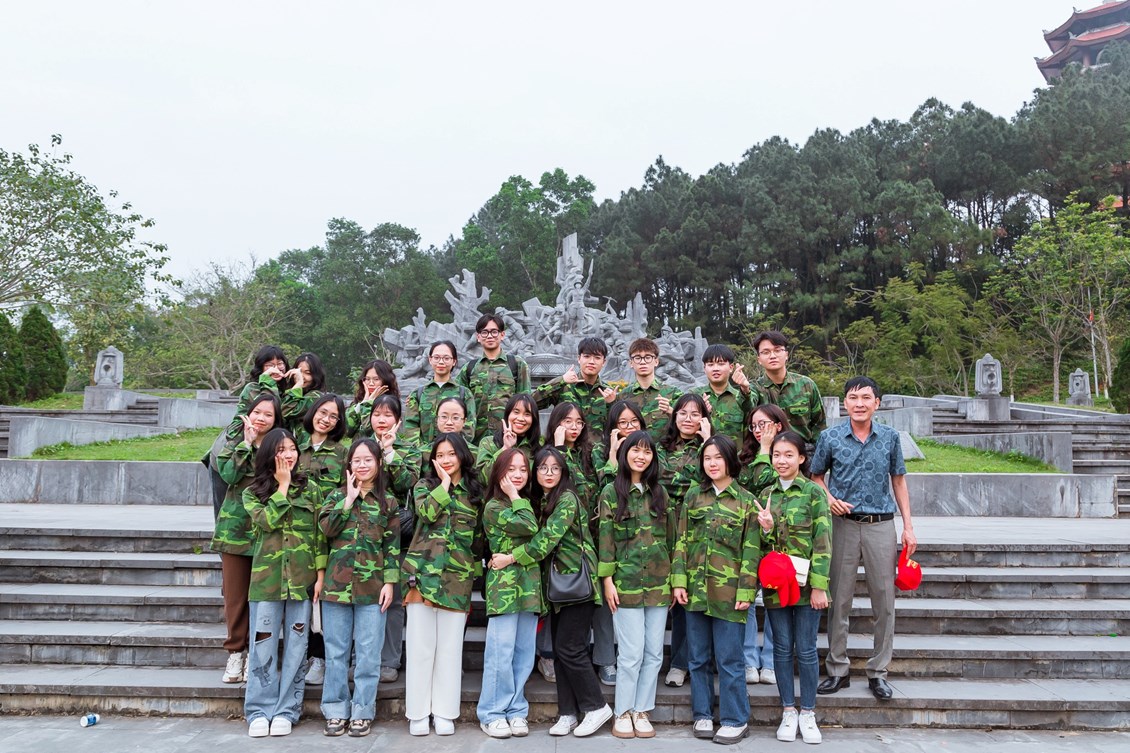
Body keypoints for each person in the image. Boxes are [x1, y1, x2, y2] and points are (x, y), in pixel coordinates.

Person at [491, 446, 612, 738]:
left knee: (571, 648)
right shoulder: (544, 499)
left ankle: (596, 706)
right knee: (560, 651)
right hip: (558, 588)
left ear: (563, 472)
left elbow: (546, 539)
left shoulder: (567, 498)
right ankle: (567, 713)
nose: (548, 473)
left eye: (555, 468)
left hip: (577, 584)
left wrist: (511, 558)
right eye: (543, 468)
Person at [810, 376, 916, 702]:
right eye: (853, 398)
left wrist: (908, 527)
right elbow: (816, 476)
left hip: (880, 525)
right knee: (838, 599)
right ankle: (837, 669)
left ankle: (878, 672)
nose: (859, 403)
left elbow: (898, 481)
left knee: (884, 601)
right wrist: (828, 499)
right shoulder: (829, 437)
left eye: (866, 398)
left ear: (877, 403)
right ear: (845, 402)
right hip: (841, 525)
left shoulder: (890, 438)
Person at [672, 436, 761, 745]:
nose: (712, 463)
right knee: (697, 658)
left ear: (730, 461)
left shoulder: (746, 500)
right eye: (707, 458)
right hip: (695, 590)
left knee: (729, 660)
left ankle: (736, 719)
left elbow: (752, 549)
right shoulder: (694, 496)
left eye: (718, 457)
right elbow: (681, 540)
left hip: (730, 594)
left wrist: (746, 591)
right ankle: (703, 714)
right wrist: (679, 580)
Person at [241, 427, 326, 738]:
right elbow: (266, 522)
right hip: (267, 583)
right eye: (281, 450)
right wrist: (283, 486)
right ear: (269, 455)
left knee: (296, 648)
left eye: (292, 449)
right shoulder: (252, 492)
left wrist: (320, 575)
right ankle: (259, 710)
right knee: (262, 646)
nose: (288, 455)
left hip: (301, 583)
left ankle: (287, 709)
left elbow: (320, 536)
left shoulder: (312, 490)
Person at [402, 433, 484, 736]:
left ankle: (445, 712)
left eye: (451, 454)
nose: (446, 460)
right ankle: (418, 713)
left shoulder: (475, 493)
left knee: (450, 650)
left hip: (457, 579)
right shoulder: (424, 486)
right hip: (422, 576)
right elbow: (426, 513)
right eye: (440, 455)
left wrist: (475, 575)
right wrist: (446, 484)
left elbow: (478, 540)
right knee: (420, 648)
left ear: (462, 455)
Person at [318, 439, 399, 738]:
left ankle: (362, 712)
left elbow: (392, 546)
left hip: (372, 588)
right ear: (349, 464)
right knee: (336, 653)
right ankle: (335, 710)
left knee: (368, 654)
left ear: (378, 463)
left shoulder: (388, 502)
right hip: (336, 588)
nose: (362, 465)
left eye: (368, 460)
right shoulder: (335, 496)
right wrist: (348, 501)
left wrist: (390, 582)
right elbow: (325, 531)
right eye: (357, 460)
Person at [755, 430, 831, 744]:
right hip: (777, 585)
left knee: (807, 649)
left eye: (788, 455)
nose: (781, 461)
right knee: (782, 648)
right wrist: (767, 530)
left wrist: (820, 586)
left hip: (806, 586)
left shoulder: (813, 493)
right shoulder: (767, 493)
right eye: (776, 455)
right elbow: (763, 547)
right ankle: (788, 710)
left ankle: (808, 712)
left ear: (801, 458)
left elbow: (823, 543)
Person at [597, 431, 673, 740]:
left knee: (654, 653)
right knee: (630, 654)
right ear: (624, 453)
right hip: (625, 584)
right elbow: (605, 539)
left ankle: (642, 710)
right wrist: (607, 580)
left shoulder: (660, 493)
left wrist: (674, 580)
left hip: (658, 583)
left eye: (647, 452)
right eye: (635, 450)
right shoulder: (611, 492)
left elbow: (672, 540)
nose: (641, 456)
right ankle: (623, 711)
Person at [210, 392, 281, 685]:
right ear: (248, 414)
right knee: (236, 597)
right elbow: (227, 474)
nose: (261, 418)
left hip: (268, 532)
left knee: (263, 598)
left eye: (268, 414)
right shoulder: (234, 442)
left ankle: (256, 652)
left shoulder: (280, 447)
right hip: (235, 533)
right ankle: (235, 652)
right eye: (257, 412)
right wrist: (247, 443)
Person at [477, 449, 540, 739]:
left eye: (523, 470)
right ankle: (491, 713)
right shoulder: (494, 506)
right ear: (499, 473)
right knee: (500, 653)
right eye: (511, 469)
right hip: (503, 588)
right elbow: (529, 526)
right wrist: (515, 495)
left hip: (529, 587)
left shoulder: (526, 503)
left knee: (524, 654)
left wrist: (518, 498)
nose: (518, 475)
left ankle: (516, 710)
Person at [736, 403, 791, 687]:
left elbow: (773, 482)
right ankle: (748, 660)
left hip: (779, 537)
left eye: (764, 424)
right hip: (749, 536)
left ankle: (770, 661)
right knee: (746, 598)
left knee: (774, 600)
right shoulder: (744, 458)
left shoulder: (789, 453)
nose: (758, 430)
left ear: (778, 425)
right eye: (754, 425)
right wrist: (762, 450)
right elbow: (755, 486)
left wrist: (769, 450)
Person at [658, 393, 711, 689]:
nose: (688, 419)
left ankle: (681, 664)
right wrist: (689, 481)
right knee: (671, 597)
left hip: (697, 529)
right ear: (674, 415)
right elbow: (659, 480)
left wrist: (707, 442)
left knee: (689, 599)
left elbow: (711, 479)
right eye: (683, 413)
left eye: (695, 413)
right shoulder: (660, 447)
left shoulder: (711, 447)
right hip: (663, 528)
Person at [295, 393, 347, 686]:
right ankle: (299, 654)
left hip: (327, 531)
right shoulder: (294, 446)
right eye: (323, 413)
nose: (326, 420)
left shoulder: (342, 453)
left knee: (321, 595)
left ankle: (319, 657)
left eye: (333, 417)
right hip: (296, 532)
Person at [457, 314, 531, 442]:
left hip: (509, 437)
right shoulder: (469, 368)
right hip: (475, 441)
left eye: (494, 332)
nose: (490, 336)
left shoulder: (517, 365)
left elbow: (526, 402)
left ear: (502, 335)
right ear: (478, 337)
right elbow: (456, 401)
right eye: (484, 332)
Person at [750, 331, 826, 449]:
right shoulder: (754, 388)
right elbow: (747, 407)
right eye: (766, 352)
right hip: (768, 451)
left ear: (786, 355)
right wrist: (744, 390)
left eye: (777, 350)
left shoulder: (806, 384)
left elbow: (819, 426)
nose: (772, 356)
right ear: (759, 359)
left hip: (803, 451)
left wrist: (819, 455)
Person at [534, 336, 618, 439]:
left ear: (604, 362)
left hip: (596, 449)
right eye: (587, 356)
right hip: (565, 448)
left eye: (597, 357)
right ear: (579, 359)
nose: (591, 361)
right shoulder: (564, 385)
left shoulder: (608, 394)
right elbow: (532, 403)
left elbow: (617, 426)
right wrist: (561, 381)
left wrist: (612, 403)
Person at [403, 340, 477, 446]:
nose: (441, 362)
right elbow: (410, 426)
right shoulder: (418, 394)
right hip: (423, 453)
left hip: (455, 451)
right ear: (430, 360)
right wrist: (421, 451)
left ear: (454, 361)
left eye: (446, 358)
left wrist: (454, 448)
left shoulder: (464, 393)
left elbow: (469, 427)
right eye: (436, 358)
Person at [617, 337, 681, 442]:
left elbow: (684, 427)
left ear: (656, 361)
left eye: (648, 357)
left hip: (664, 450)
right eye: (637, 358)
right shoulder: (622, 397)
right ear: (631, 363)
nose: (643, 362)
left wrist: (671, 412)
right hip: (633, 451)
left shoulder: (673, 394)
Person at [693, 344, 753, 449]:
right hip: (703, 456)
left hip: (734, 457)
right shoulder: (694, 396)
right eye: (710, 364)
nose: (715, 369)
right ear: (704, 368)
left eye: (721, 364)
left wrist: (745, 389)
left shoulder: (741, 397)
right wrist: (700, 412)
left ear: (731, 367)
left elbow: (751, 411)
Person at [475, 392, 544, 472]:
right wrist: (505, 448)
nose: (520, 418)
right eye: (516, 412)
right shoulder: (488, 443)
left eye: (527, 414)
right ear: (508, 415)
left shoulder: (541, 444)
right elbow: (481, 477)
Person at [345, 359, 400, 438]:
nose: (371, 383)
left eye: (376, 379)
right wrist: (363, 403)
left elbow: (368, 430)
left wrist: (368, 404)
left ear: (386, 380)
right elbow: (348, 431)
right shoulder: (358, 402)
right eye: (367, 379)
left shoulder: (391, 403)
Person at [282, 352, 327, 432]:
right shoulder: (293, 392)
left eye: (307, 373)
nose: (301, 377)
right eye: (299, 372)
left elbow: (285, 412)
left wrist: (299, 384)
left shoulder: (316, 397)